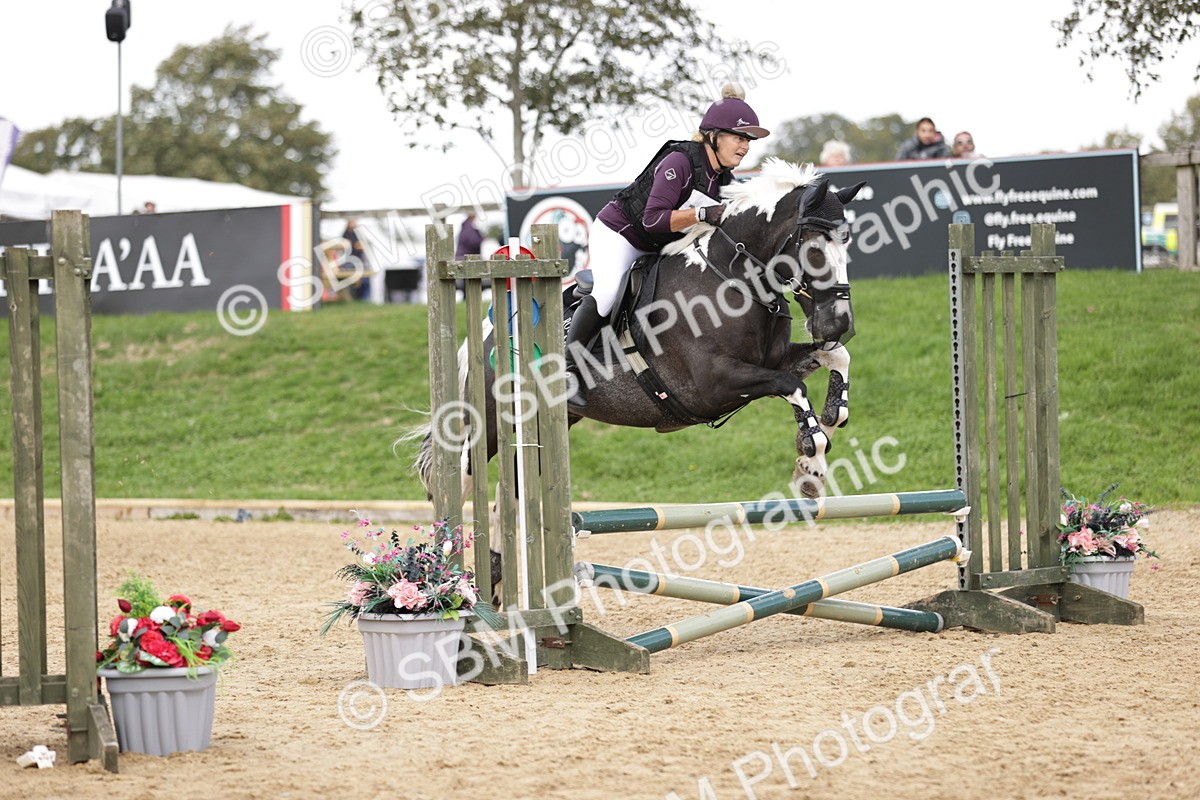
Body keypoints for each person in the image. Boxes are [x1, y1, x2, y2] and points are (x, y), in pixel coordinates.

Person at [564, 83, 769, 408]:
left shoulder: (726, 181)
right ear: (713, 135)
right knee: (606, 293)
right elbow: (652, 220)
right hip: (621, 234)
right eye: (738, 138)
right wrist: (701, 213)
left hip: (660, 246)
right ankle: (568, 370)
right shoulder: (680, 161)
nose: (745, 147)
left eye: (748, 141)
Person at [342, 218, 371, 301]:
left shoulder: (358, 234)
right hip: (350, 262)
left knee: (364, 281)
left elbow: (363, 245)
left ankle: (364, 300)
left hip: (360, 261)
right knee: (351, 281)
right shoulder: (345, 235)